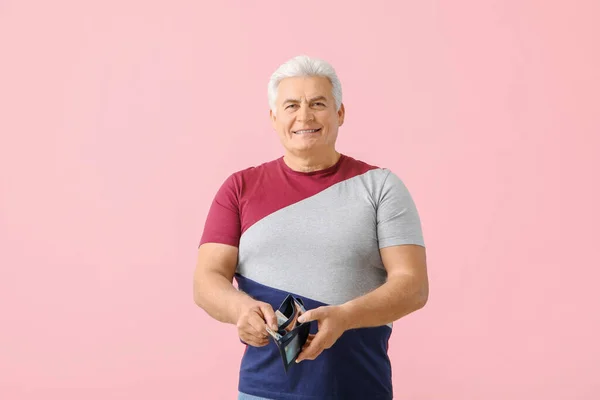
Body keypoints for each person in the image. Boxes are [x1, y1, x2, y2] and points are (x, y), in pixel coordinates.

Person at [193, 55, 429, 400]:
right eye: (291, 106)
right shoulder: (239, 188)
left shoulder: (381, 187)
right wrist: (239, 310)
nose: (304, 116)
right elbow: (206, 279)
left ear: (340, 113)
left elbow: (413, 286)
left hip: (359, 388)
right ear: (274, 118)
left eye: (318, 104)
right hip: (263, 391)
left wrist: (346, 317)